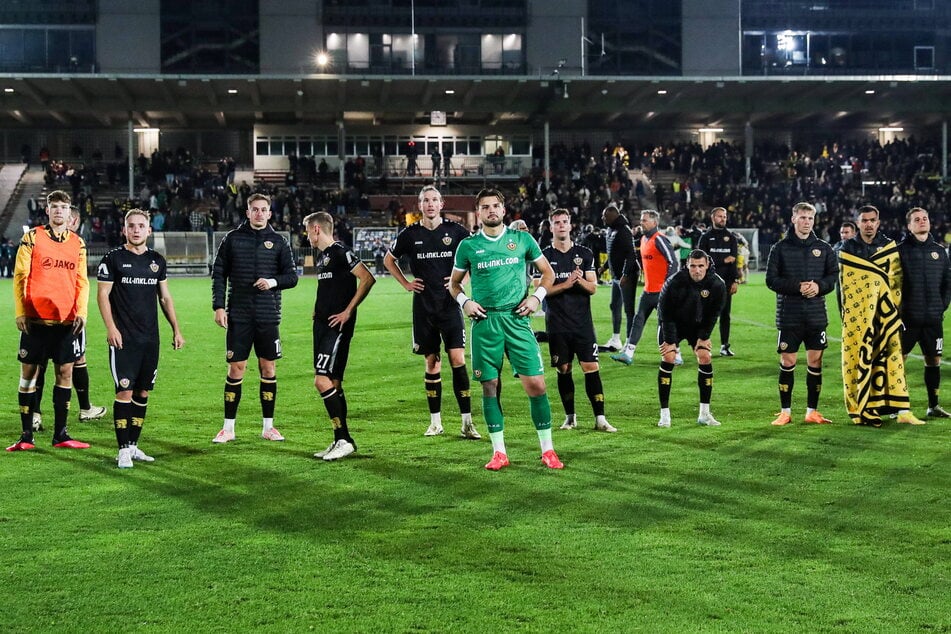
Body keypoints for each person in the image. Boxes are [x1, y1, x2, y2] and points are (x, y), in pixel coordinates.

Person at [449, 188, 563, 470]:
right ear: (479, 212)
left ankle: (547, 450)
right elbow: (454, 284)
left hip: (517, 320)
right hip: (485, 323)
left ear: (503, 210)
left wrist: (537, 297)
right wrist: (465, 302)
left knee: (536, 384)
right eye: (485, 207)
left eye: (495, 206)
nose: (491, 211)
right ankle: (499, 452)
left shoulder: (522, 239)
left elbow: (548, 274)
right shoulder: (468, 246)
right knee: (490, 385)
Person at [383, 186, 480, 439]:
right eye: (425, 200)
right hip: (423, 307)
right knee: (432, 362)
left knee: (457, 359)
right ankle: (435, 422)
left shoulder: (456, 231)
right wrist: (406, 283)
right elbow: (388, 260)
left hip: (450, 305)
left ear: (441, 204)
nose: (430, 204)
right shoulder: (409, 234)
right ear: (420, 205)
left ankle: (467, 422)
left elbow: (474, 257)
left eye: (434, 200)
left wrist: (464, 278)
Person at [97, 209, 185, 468]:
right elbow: (103, 295)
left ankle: (134, 446)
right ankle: (122, 449)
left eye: (141, 226)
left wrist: (176, 329)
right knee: (124, 390)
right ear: (124, 230)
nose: (136, 230)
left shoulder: (157, 260)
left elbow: (165, 298)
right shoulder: (113, 258)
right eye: (131, 226)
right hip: (124, 339)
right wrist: (111, 328)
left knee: (143, 392)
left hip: (150, 338)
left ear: (149, 230)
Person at [211, 193, 299, 443]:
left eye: (264, 210)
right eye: (255, 209)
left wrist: (272, 282)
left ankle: (268, 427)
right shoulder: (232, 239)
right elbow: (219, 274)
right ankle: (228, 429)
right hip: (238, 315)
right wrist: (219, 306)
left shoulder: (279, 242)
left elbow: (292, 277)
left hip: (267, 316)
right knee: (236, 369)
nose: (259, 213)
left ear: (270, 213)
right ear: (247, 212)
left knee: (268, 368)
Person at [8, 190, 91, 452]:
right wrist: (21, 311)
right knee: (29, 375)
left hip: (66, 321)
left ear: (70, 213)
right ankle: (25, 436)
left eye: (63, 207)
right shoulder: (32, 237)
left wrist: (82, 311)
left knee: (65, 373)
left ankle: (61, 434)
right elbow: (20, 276)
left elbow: (82, 281)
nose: (58, 211)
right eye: (54, 206)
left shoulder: (77, 243)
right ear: (47, 210)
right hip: (36, 320)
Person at [839, 205, 924, 426]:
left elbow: (896, 282)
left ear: (878, 222)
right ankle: (863, 408)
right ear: (857, 223)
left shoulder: (888, 246)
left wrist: (895, 312)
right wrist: (848, 315)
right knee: (859, 360)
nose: (868, 224)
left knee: (890, 360)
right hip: (857, 318)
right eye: (864, 220)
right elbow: (844, 285)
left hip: (886, 316)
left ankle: (901, 410)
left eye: (872, 220)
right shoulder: (847, 247)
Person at [305, 211, 376, 461]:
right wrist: (317, 307)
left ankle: (344, 438)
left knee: (321, 381)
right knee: (333, 382)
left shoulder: (339, 251)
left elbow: (367, 278)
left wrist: (348, 311)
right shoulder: (324, 257)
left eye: (307, 231)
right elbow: (330, 286)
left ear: (316, 229)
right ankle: (339, 439)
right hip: (323, 324)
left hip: (337, 325)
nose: (307, 237)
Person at [538, 209, 615, 433]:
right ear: (551, 227)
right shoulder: (544, 257)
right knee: (563, 368)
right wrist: (567, 283)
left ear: (570, 226)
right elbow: (540, 289)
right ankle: (570, 418)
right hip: (557, 324)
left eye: (565, 222)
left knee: (591, 366)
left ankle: (600, 419)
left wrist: (578, 280)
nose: (561, 226)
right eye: (556, 223)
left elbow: (592, 287)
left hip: (582, 323)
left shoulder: (585, 253)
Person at [31, 207, 108, 432]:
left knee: (47, 363)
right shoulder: (62, 245)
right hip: (61, 314)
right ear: (73, 220)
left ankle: (37, 414)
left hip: (57, 314)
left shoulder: (70, 244)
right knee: (68, 361)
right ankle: (83, 409)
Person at [765, 202, 839, 426]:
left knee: (815, 361)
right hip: (790, 314)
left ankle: (812, 411)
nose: (807, 222)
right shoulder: (780, 248)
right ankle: (785, 412)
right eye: (803, 217)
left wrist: (819, 287)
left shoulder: (823, 248)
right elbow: (771, 280)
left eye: (810, 218)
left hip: (816, 315)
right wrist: (797, 287)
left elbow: (832, 277)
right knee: (788, 361)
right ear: (793, 219)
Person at [655, 250, 726, 428]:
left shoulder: (717, 284)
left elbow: (713, 314)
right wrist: (671, 341)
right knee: (669, 358)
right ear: (687, 265)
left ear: (707, 265)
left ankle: (704, 414)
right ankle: (665, 415)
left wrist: (704, 337)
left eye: (701, 266)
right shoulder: (674, 282)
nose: (697, 270)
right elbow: (665, 313)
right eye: (693, 266)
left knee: (705, 357)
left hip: (697, 326)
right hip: (672, 325)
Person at [897, 207, 951, 419]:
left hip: (932, 319)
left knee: (934, 360)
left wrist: (941, 305)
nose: (922, 222)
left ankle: (933, 405)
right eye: (917, 220)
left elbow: (948, 282)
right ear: (909, 226)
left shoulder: (939, 251)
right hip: (907, 320)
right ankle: (898, 406)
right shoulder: (900, 251)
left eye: (925, 218)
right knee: (898, 362)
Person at [611, 210, 679, 365]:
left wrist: (667, 286)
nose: (641, 223)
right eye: (641, 220)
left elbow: (673, 262)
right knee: (638, 319)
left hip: (662, 292)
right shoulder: (643, 239)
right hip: (648, 290)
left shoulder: (660, 239)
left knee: (665, 324)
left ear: (654, 223)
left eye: (645, 220)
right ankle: (628, 354)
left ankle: (676, 354)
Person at [697, 207, 739, 356]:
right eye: (720, 216)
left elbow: (733, 261)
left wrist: (736, 280)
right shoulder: (705, 238)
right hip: (708, 282)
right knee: (704, 314)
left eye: (725, 216)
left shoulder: (731, 237)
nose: (723, 219)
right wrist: (723, 260)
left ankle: (724, 346)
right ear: (713, 218)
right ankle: (701, 343)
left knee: (725, 314)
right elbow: (701, 261)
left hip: (726, 283)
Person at [597, 203, 638, 352]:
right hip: (616, 276)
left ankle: (629, 343)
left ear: (613, 216)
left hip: (627, 276)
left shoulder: (624, 230)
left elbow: (631, 256)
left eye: (605, 216)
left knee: (628, 309)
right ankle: (616, 339)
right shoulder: (611, 229)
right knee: (614, 306)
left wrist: (626, 275)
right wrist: (604, 267)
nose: (602, 218)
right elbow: (613, 253)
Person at [832, 221, 857, 315]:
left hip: (857, 284)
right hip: (841, 284)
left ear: (854, 234)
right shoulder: (836, 248)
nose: (843, 235)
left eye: (846, 232)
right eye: (842, 233)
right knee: (842, 313)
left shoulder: (860, 248)